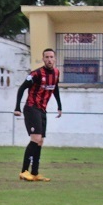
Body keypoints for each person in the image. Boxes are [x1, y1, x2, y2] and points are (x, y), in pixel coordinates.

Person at [14, 48, 62, 182]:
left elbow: (55, 88)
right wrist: (17, 107)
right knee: (35, 138)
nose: (49, 59)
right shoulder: (36, 74)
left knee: (40, 141)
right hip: (31, 108)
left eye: (51, 57)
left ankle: (35, 173)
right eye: (47, 57)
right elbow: (22, 88)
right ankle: (24, 171)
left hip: (42, 110)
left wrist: (59, 105)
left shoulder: (56, 73)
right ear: (43, 59)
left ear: (55, 59)